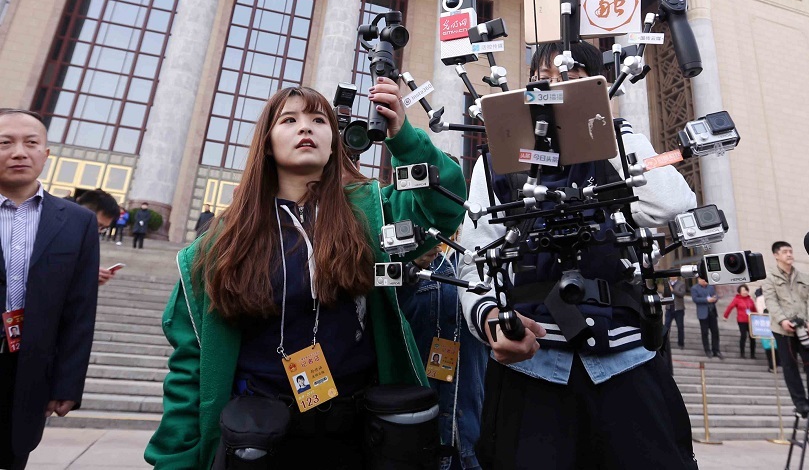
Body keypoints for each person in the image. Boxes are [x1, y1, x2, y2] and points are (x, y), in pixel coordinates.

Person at [144, 83, 466, 468]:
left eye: (318, 120)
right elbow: (188, 370)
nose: (305, 128)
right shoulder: (219, 245)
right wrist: (175, 461)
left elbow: (444, 209)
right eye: (289, 120)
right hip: (258, 438)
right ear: (266, 143)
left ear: (335, 143)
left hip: (358, 436)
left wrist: (404, 140)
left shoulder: (371, 214)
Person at [458, 41, 700, 470]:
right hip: (532, 369)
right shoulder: (495, 160)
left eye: (567, 79)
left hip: (626, 363)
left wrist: (597, 131)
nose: (552, 90)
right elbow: (476, 256)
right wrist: (490, 320)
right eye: (541, 80)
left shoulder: (624, 140)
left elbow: (673, 201)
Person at [0, 109, 100, 469]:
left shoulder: (78, 222)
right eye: (4, 143)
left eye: (31, 143)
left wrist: (67, 385)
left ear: (46, 153)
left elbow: (79, 310)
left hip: (27, 371)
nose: (19, 152)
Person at [399, 236, 487, 470]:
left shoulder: (481, 240)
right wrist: (412, 267)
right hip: (411, 424)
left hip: (473, 429)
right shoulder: (400, 236)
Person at [762, 241, 809, 416]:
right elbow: (771, 301)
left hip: (806, 327)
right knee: (790, 367)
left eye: (790, 251)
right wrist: (782, 320)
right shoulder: (770, 279)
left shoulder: (804, 277)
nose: (789, 254)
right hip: (783, 330)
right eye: (784, 252)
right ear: (776, 255)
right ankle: (800, 403)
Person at [75, 189, 123, 287]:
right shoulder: (50, 233)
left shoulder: (87, 245)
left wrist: (91, 281)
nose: (97, 231)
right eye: (97, 225)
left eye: (103, 228)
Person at [690, 277, 722, 360]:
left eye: (705, 279)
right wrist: (707, 300)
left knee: (715, 332)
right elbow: (695, 299)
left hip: (712, 312)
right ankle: (707, 350)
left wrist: (715, 298)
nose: (704, 281)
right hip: (703, 313)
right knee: (704, 333)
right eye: (703, 279)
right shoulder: (694, 288)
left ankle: (716, 350)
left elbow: (716, 295)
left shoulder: (711, 287)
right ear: (698, 280)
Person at [723, 284, 757, 359]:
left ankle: (752, 354)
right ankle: (742, 353)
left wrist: (758, 317)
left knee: (752, 337)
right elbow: (730, 307)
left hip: (750, 321)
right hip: (741, 321)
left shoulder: (750, 299)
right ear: (739, 292)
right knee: (743, 336)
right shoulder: (737, 299)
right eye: (743, 291)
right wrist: (725, 316)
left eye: (746, 290)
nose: (745, 292)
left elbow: (754, 309)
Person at [663, 275, 686, 350]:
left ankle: (681, 343)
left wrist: (673, 290)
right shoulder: (667, 283)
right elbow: (664, 295)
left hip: (678, 309)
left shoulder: (681, 284)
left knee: (680, 327)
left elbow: (682, 294)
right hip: (669, 308)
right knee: (666, 326)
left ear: (676, 276)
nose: (671, 277)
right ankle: (665, 343)